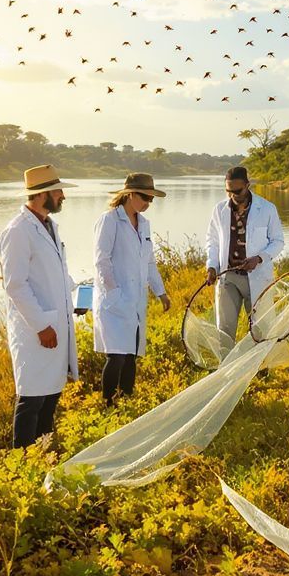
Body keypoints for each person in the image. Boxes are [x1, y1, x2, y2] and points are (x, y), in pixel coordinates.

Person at [0, 164, 80, 448]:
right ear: (42, 194)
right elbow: (15, 285)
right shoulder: (18, 231)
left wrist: (76, 298)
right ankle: (21, 461)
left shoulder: (48, 225)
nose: (62, 196)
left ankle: (45, 454)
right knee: (31, 399)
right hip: (36, 330)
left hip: (55, 325)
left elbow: (56, 273)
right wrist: (42, 326)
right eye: (58, 192)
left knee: (51, 396)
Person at [93, 173, 171, 405]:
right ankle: (108, 404)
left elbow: (149, 262)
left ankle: (127, 401)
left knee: (131, 355)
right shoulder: (109, 220)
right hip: (114, 302)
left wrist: (161, 292)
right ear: (130, 194)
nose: (148, 203)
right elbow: (101, 261)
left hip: (136, 300)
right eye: (145, 197)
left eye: (151, 199)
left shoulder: (144, 224)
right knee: (116, 355)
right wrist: (115, 293)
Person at [205, 166, 285, 351]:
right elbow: (212, 241)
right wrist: (212, 266)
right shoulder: (219, 210)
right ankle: (226, 366)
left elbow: (278, 241)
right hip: (228, 278)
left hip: (257, 278)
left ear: (248, 185)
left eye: (237, 191)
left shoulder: (267, 209)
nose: (233, 195)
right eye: (229, 191)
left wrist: (259, 258)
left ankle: (261, 364)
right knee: (224, 330)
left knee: (261, 328)